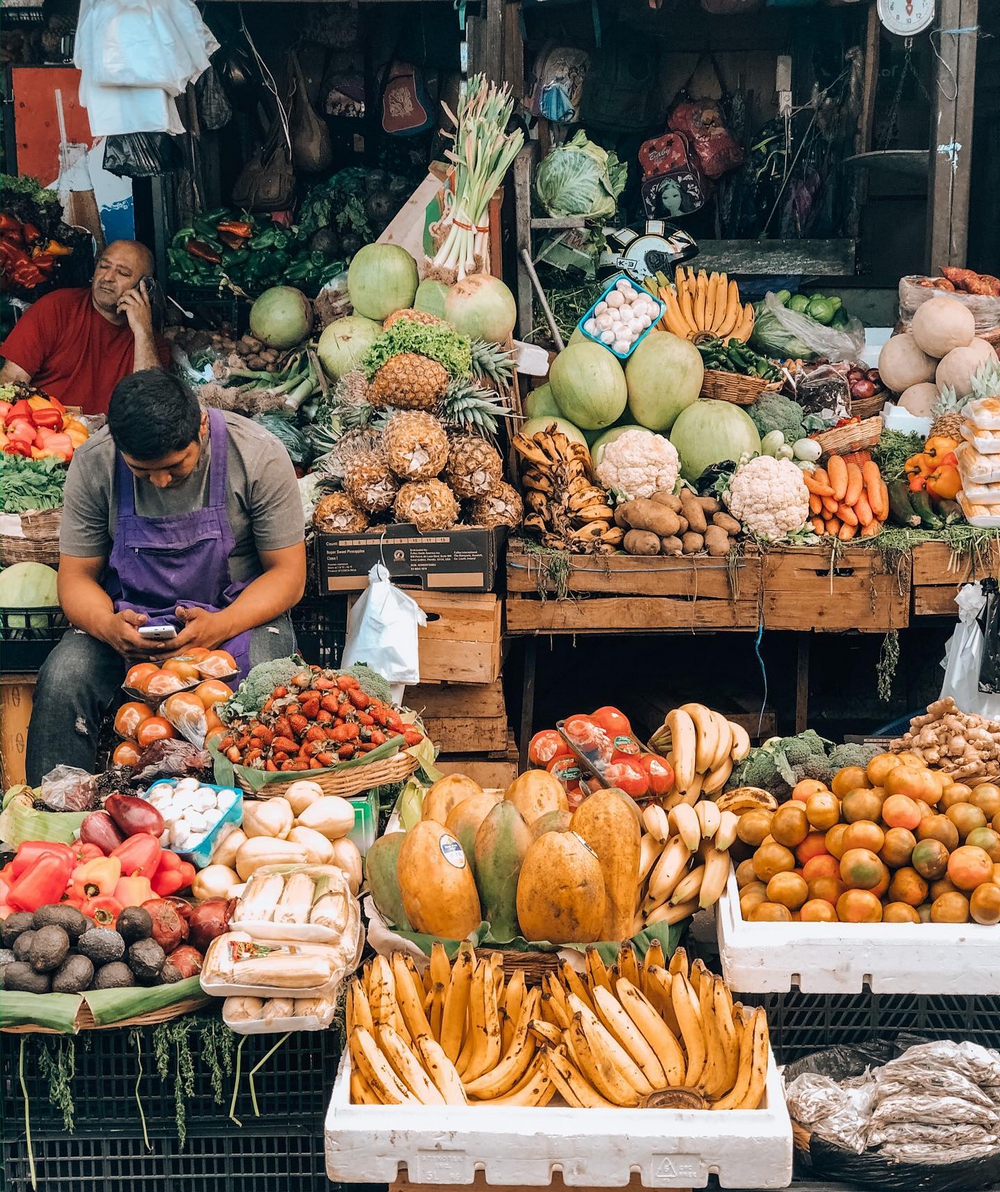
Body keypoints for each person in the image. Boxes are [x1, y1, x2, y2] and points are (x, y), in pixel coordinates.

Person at [25, 370, 307, 783]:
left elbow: (289, 575)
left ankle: (257, 816)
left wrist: (221, 626)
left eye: (175, 467)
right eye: (142, 471)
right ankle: (56, 814)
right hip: (129, 622)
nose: (160, 480)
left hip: (238, 616)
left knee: (268, 679)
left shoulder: (258, 455)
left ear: (202, 426)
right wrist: (107, 625)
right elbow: (75, 579)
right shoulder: (95, 462)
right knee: (64, 676)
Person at [0, 239, 171, 415]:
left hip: (112, 439)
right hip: (47, 433)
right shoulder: (55, 308)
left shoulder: (153, 345)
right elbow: (11, 381)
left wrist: (142, 331)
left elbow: (152, 409)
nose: (108, 278)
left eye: (123, 273)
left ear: (145, 286)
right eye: (104, 266)